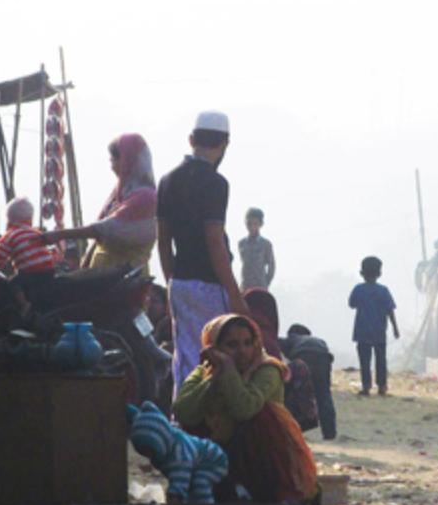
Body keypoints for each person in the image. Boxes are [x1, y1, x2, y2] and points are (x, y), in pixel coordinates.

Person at [172, 313, 319, 505]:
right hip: (219, 457)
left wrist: (228, 370)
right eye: (232, 345)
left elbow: (244, 409)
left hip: (261, 459)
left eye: (247, 343)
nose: (242, 351)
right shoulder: (204, 371)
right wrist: (214, 379)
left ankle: (272, 493)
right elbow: (182, 412)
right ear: (215, 348)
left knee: (262, 414)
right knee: (193, 425)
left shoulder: (268, 369)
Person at [157, 111, 249, 393]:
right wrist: (235, 294)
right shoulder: (216, 183)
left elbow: (163, 241)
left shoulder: (167, 180)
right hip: (210, 284)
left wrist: (171, 282)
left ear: (192, 140)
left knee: (185, 357)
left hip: (180, 282)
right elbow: (215, 241)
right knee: (218, 355)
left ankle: (183, 413)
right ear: (225, 144)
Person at [40, 133, 158, 272]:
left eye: (113, 160)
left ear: (126, 161)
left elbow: (106, 229)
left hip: (126, 277)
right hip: (103, 274)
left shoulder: (145, 198)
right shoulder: (119, 194)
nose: (111, 166)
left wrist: (60, 235)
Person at [0, 197, 57, 313]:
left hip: (30, 273)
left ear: (8, 220)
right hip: (49, 271)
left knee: (13, 283)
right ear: (30, 218)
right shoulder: (36, 232)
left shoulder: (9, 236)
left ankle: (23, 304)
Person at [348, 256, 399, 396]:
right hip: (379, 331)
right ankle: (382, 386)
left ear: (362, 273)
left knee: (364, 360)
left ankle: (366, 386)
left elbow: (352, 304)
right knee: (380, 359)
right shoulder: (383, 291)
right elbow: (390, 310)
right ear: (379, 274)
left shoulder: (358, 289)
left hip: (362, 331)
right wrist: (395, 328)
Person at [283, 324, 337, 441]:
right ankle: (329, 432)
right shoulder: (319, 340)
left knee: (297, 395)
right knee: (324, 395)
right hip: (324, 359)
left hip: (303, 356)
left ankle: (295, 429)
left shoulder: (291, 338)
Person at [238, 208, 276, 292]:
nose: (252, 226)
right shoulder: (242, 244)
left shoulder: (266, 244)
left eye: (255, 223)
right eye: (249, 223)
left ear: (261, 224)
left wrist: (266, 283)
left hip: (260, 287)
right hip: (245, 287)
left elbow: (271, 266)